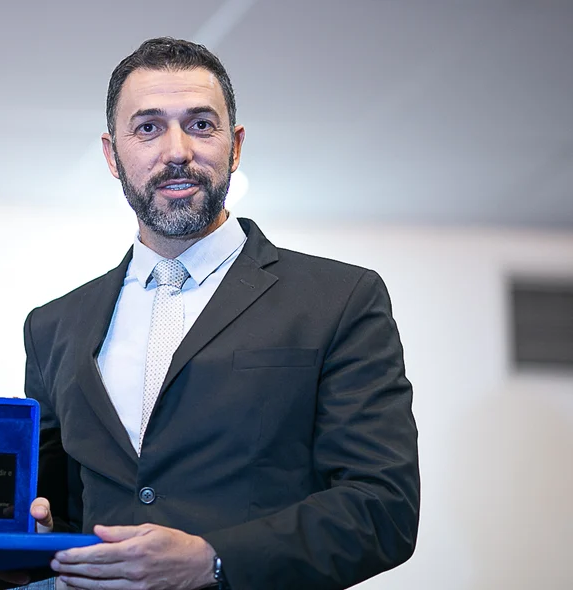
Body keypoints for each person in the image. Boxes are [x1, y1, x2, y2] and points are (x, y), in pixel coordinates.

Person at [23, 38, 419, 589]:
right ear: (113, 156)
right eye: (148, 127)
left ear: (235, 146)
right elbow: (52, 512)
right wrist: (36, 542)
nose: (177, 150)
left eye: (201, 125)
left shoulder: (340, 299)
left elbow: (384, 508)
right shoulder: (53, 326)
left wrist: (214, 559)